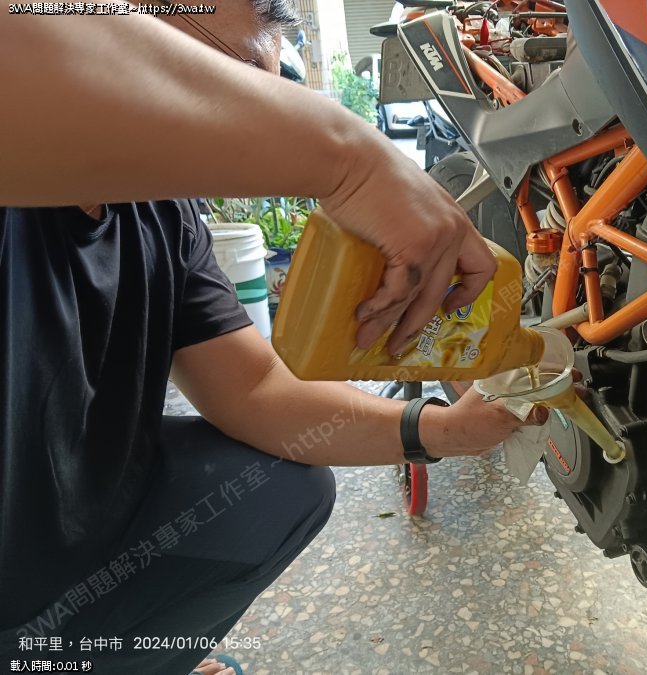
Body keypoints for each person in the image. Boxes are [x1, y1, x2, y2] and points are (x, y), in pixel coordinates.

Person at [0, 3, 544, 673]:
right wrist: (352, 158)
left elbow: (254, 388)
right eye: (222, 73)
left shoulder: (162, 214)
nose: (239, 108)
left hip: (66, 546)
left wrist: (442, 433)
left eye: (263, 87)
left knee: (280, 487)